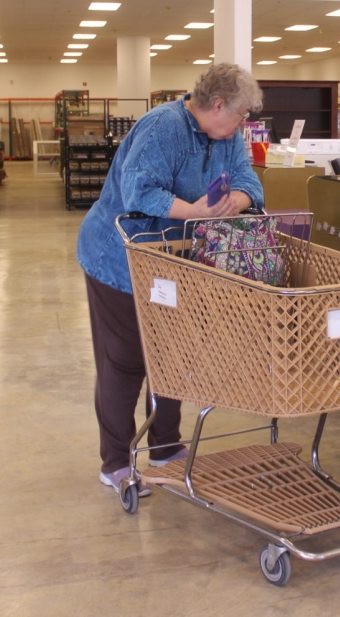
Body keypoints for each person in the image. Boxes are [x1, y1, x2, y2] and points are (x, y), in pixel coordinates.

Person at [76, 63, 265, 496]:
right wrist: (197, 211)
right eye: (240, 115)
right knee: (125, 360)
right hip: (118, 259)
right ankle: (116, 463)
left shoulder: (228, 134)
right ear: (217, 105)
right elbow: (138, 192)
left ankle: (164, 446)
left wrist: (235, 200)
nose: (243, 125)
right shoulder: (162, 127)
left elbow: (247, 180)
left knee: (172, 352)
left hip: (175, 261)